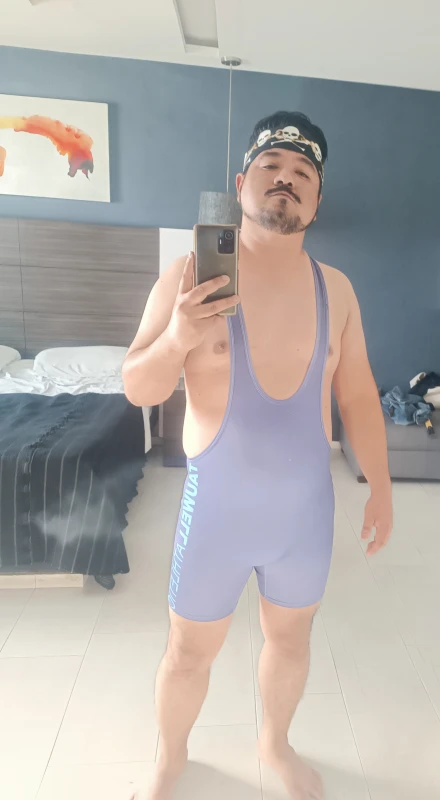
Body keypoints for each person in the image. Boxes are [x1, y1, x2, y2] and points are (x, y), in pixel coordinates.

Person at [123, 111, 393, 800]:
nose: (286, 180)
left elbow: (358, 395)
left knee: (292, 642)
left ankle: (274, 744)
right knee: (188, 653)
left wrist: (382, 487)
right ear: (241, 182)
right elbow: (138, 389)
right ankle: (170, 758)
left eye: (303, 173)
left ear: (317, 201)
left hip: (302, 515)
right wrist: (179, 335)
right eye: (272, 166)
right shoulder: (187, 276)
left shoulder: (337, 290)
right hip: (217, 511)